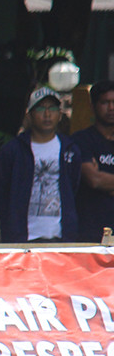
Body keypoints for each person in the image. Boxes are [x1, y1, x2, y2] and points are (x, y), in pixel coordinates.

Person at [0, 87, 81, 243]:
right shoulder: (13, 150)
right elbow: (1, 193)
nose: (47, 114)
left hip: (61, 237)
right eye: (41, 109)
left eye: (52, 108)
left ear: (60, 114)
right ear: (30, 115)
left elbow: (74, 187)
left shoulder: (70, 149)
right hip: (21, 238)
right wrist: (10, 227)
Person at [72, 80, 114, 242]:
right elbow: (94, 180)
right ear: (93, 106)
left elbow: (100, 179)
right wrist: (99, 180)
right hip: (90, 231)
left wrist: (106, 181)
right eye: (105, 102)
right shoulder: (81, 140)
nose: (111, 108)